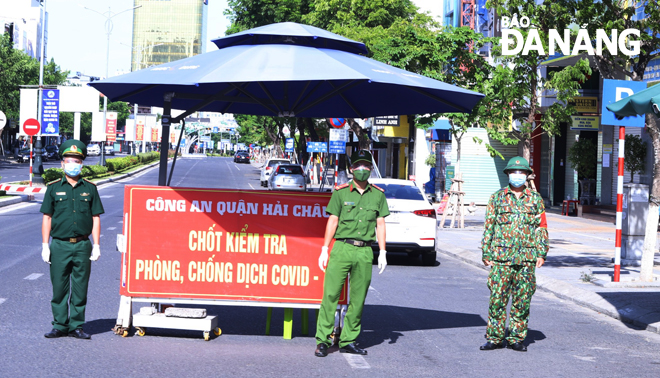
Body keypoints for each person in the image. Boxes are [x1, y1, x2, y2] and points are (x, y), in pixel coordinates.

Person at [315, 150, 389, 357]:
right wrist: (324, 248)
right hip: (342, 248)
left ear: (371, 169)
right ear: (351, 169)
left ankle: (348, 339)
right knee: (330, 295)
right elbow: (333, 221)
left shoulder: (378, 195)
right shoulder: (340, 192)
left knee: (358, 299)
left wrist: (382, 251)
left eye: (366, 166)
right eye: (359, 166)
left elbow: (381, 223)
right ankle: (323, 340)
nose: (363, 169)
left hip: (364, 251)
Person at [480, 156, 548, 352]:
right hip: (501, 258)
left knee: (522, 299)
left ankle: (516, 338)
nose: (517, 175)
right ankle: (494, 337)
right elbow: (489, 227)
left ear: (527, 176)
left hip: (526, 259)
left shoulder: (535, 199)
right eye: (513, 172)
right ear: (508, 174)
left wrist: (541, 253)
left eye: (521, 172)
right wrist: (486, 251)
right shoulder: (497, 197)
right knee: (497, 299)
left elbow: (541, 227)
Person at [40, 139, 104, 339]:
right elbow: (47, 217)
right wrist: (45, 245)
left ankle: (77, 325)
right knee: (59, 288)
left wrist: (97, 245)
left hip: (83, 245)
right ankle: (59, 325)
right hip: (59, 245)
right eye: (69, 160)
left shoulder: (90, 188)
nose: (73, 164)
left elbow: (95, 218)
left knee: (80, 288)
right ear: (62, 164)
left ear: (82, 164)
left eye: (77, 161)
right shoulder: (53, 188)